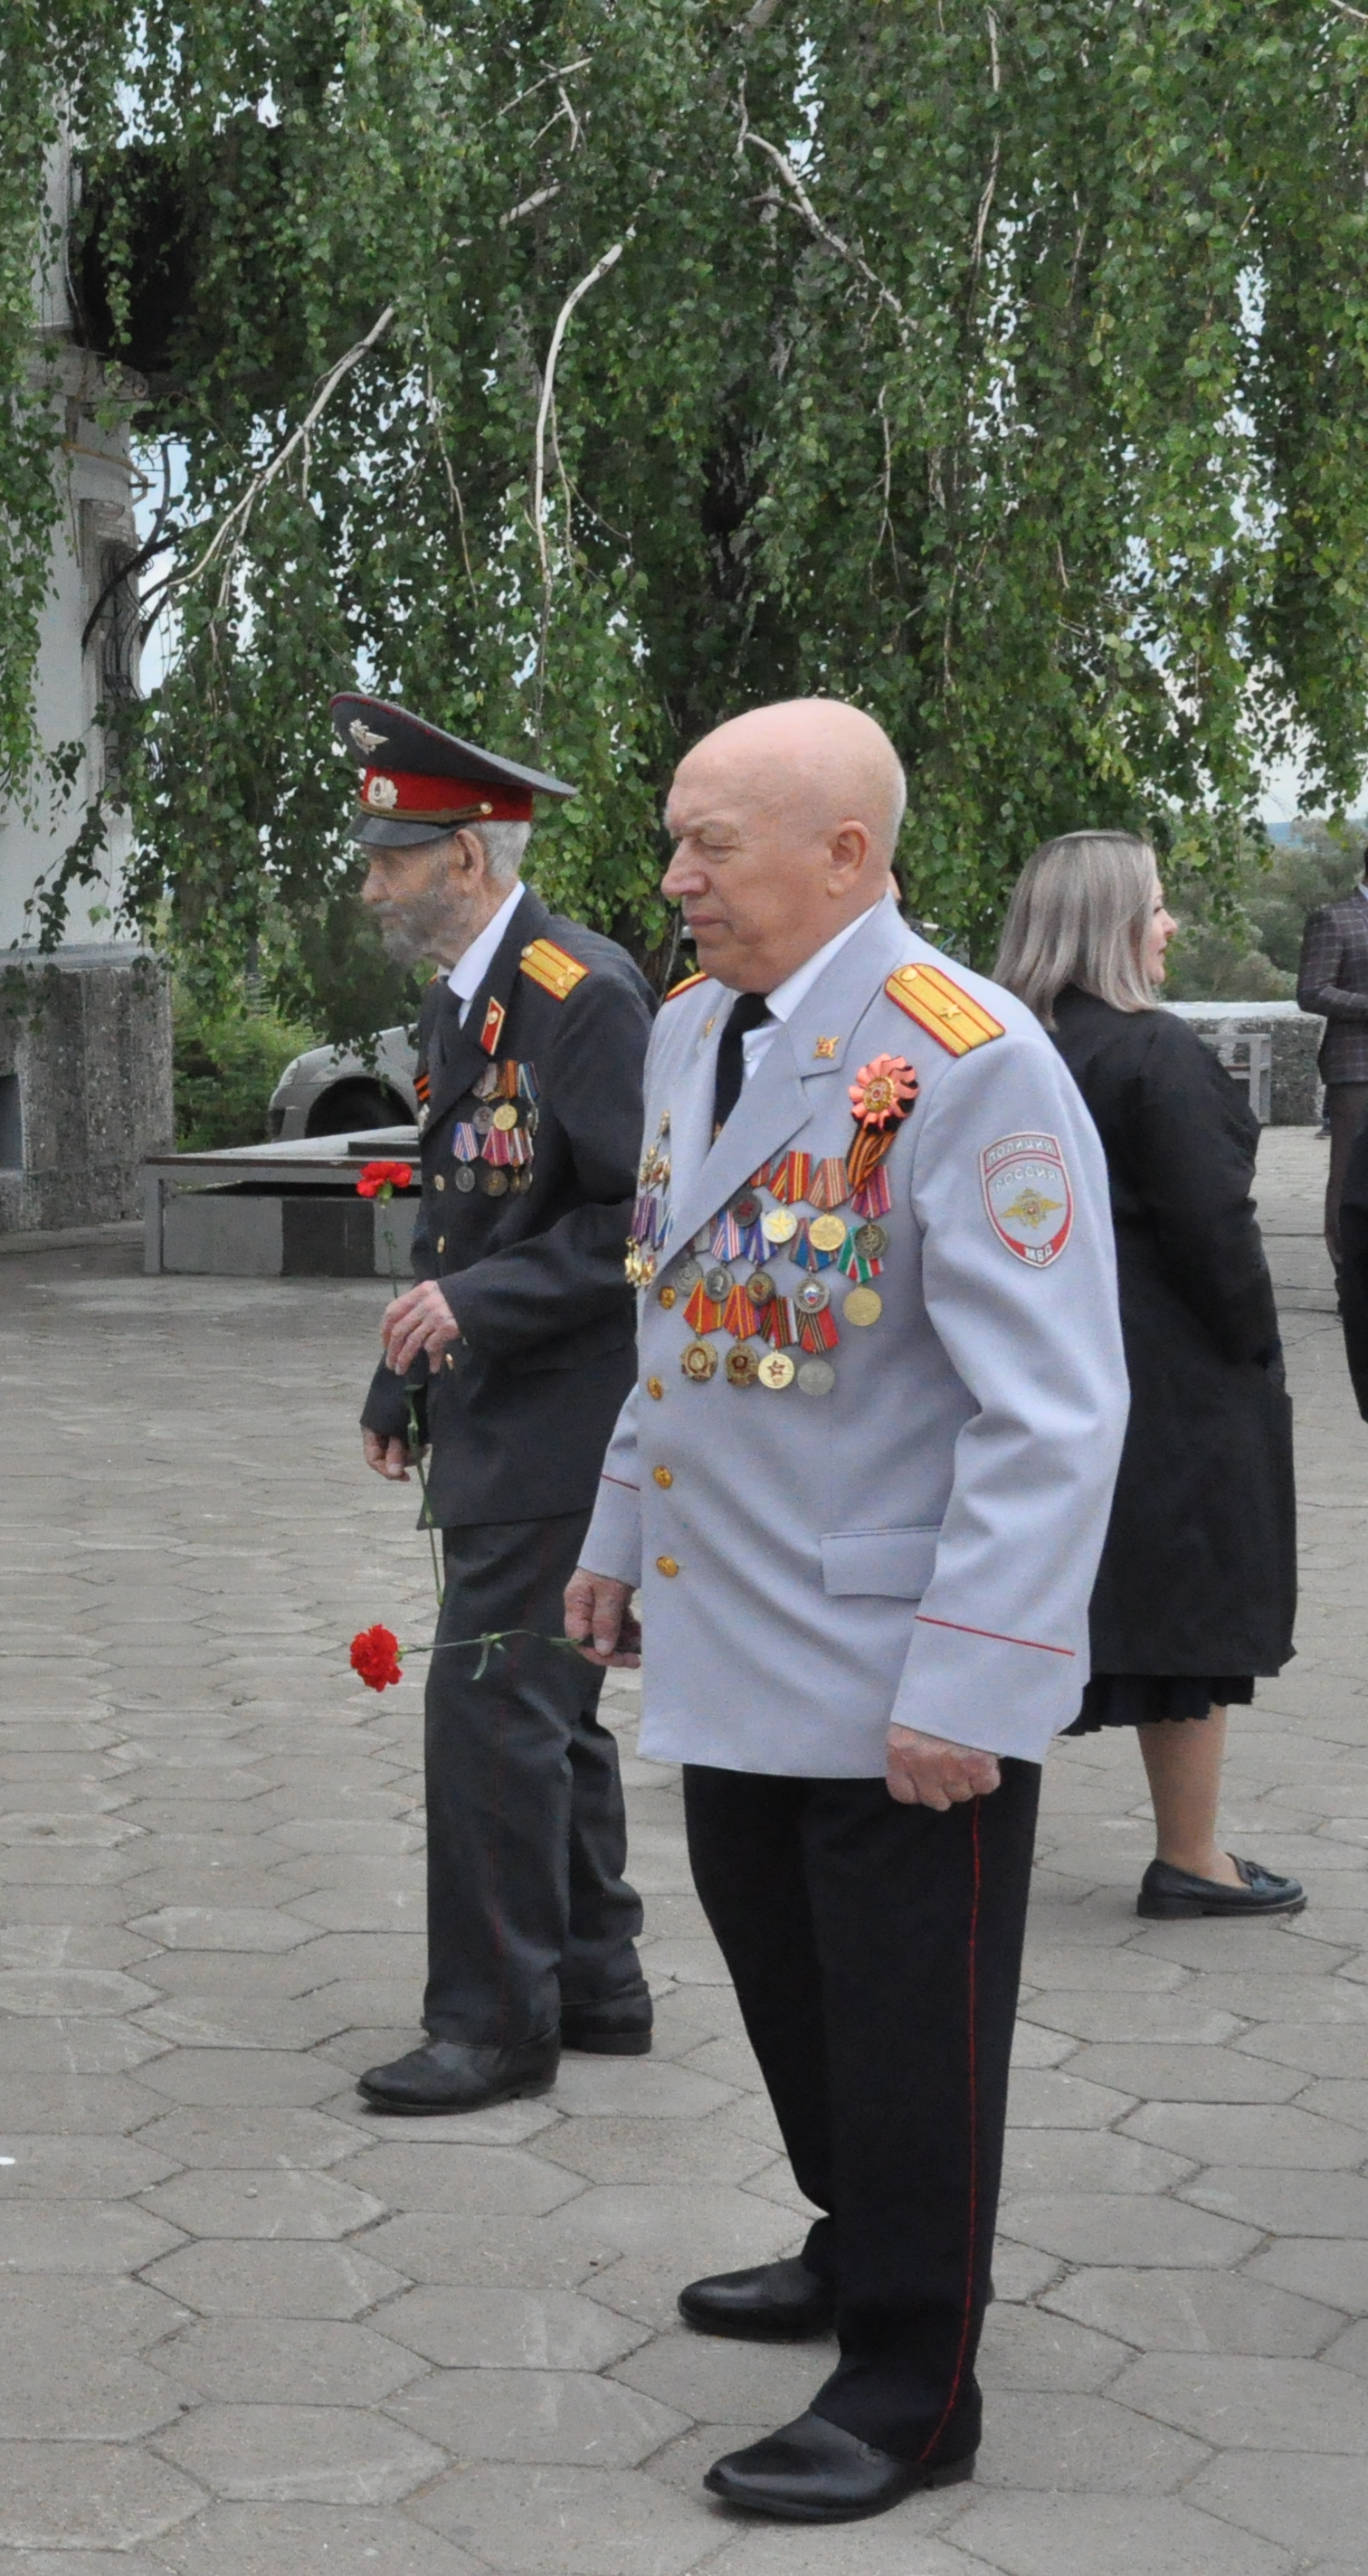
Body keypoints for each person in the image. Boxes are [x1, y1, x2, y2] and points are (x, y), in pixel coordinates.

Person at [565, 700, 1125, 2524]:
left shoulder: (966, 1060)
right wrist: (613, 1530)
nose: (672, 880)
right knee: (787, 1986)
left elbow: (1048, 1407)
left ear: (843, 857)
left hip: (898, 1661)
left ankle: (911, 2374)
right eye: (672, 838)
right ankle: (849, 2229)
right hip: (731, 1625)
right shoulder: (683, 1031)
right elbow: (675, 1313)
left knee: (906, 2025)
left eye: (707, 845)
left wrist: (973, 1683)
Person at [337, 696, 655, 2116]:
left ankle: (490, 2024)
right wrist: (405, 1371)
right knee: (545, 1709)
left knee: (492, 1715)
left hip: (567, 1414)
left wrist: (477, 1316)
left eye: (391, 860)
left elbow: (642, 1226)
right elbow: (460, 1209)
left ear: (467, 856)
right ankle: (595, 1980)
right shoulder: (465, 995)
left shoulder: (581, 994)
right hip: (496, 1403)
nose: (370, 885)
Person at [994, 833, 1303, 1918]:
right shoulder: (1154, 1053)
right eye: (1157, 908)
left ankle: (953, 1838)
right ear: (1108, 925)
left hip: (1025, 1373)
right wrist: (1255, 1350)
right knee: (1189, 1613)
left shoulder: (993, 1046)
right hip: (1167, 1383)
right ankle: (1191, 1855)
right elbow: (1216, 1231)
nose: (1168, 928)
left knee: (1014, 1607)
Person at [1291, 852, 1368, 1266]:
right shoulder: (1334, 919)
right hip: (1358, 1067)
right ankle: (1349, 1279)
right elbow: (1312, 991)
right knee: (1351, 1174)